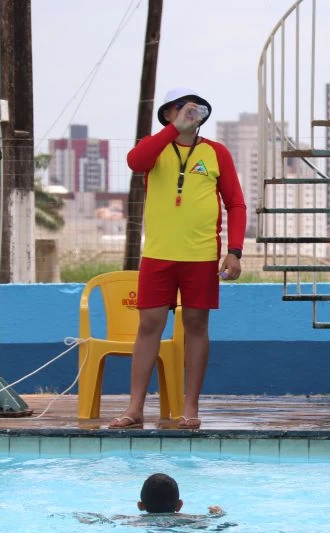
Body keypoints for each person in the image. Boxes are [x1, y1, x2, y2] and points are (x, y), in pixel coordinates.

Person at [108, 87, 246, 430]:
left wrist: (235, 250)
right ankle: (135, 407)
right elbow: (134, 161)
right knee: (149, 325)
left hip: (200, 256)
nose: (189, 113)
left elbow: (236, 203)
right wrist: (173, 130)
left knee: (196, 326)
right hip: (157, 255)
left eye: (195, 109)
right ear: (168, 114)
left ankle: (190, 407)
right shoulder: (154, 148)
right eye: (181, 109)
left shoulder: (216, 153)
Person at [75, 473, 224, 526]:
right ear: (179, 505)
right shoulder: (192, 519)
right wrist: (217, 514)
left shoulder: (130, 520)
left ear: (140, 506)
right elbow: (216, 524)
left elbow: (105, 520)